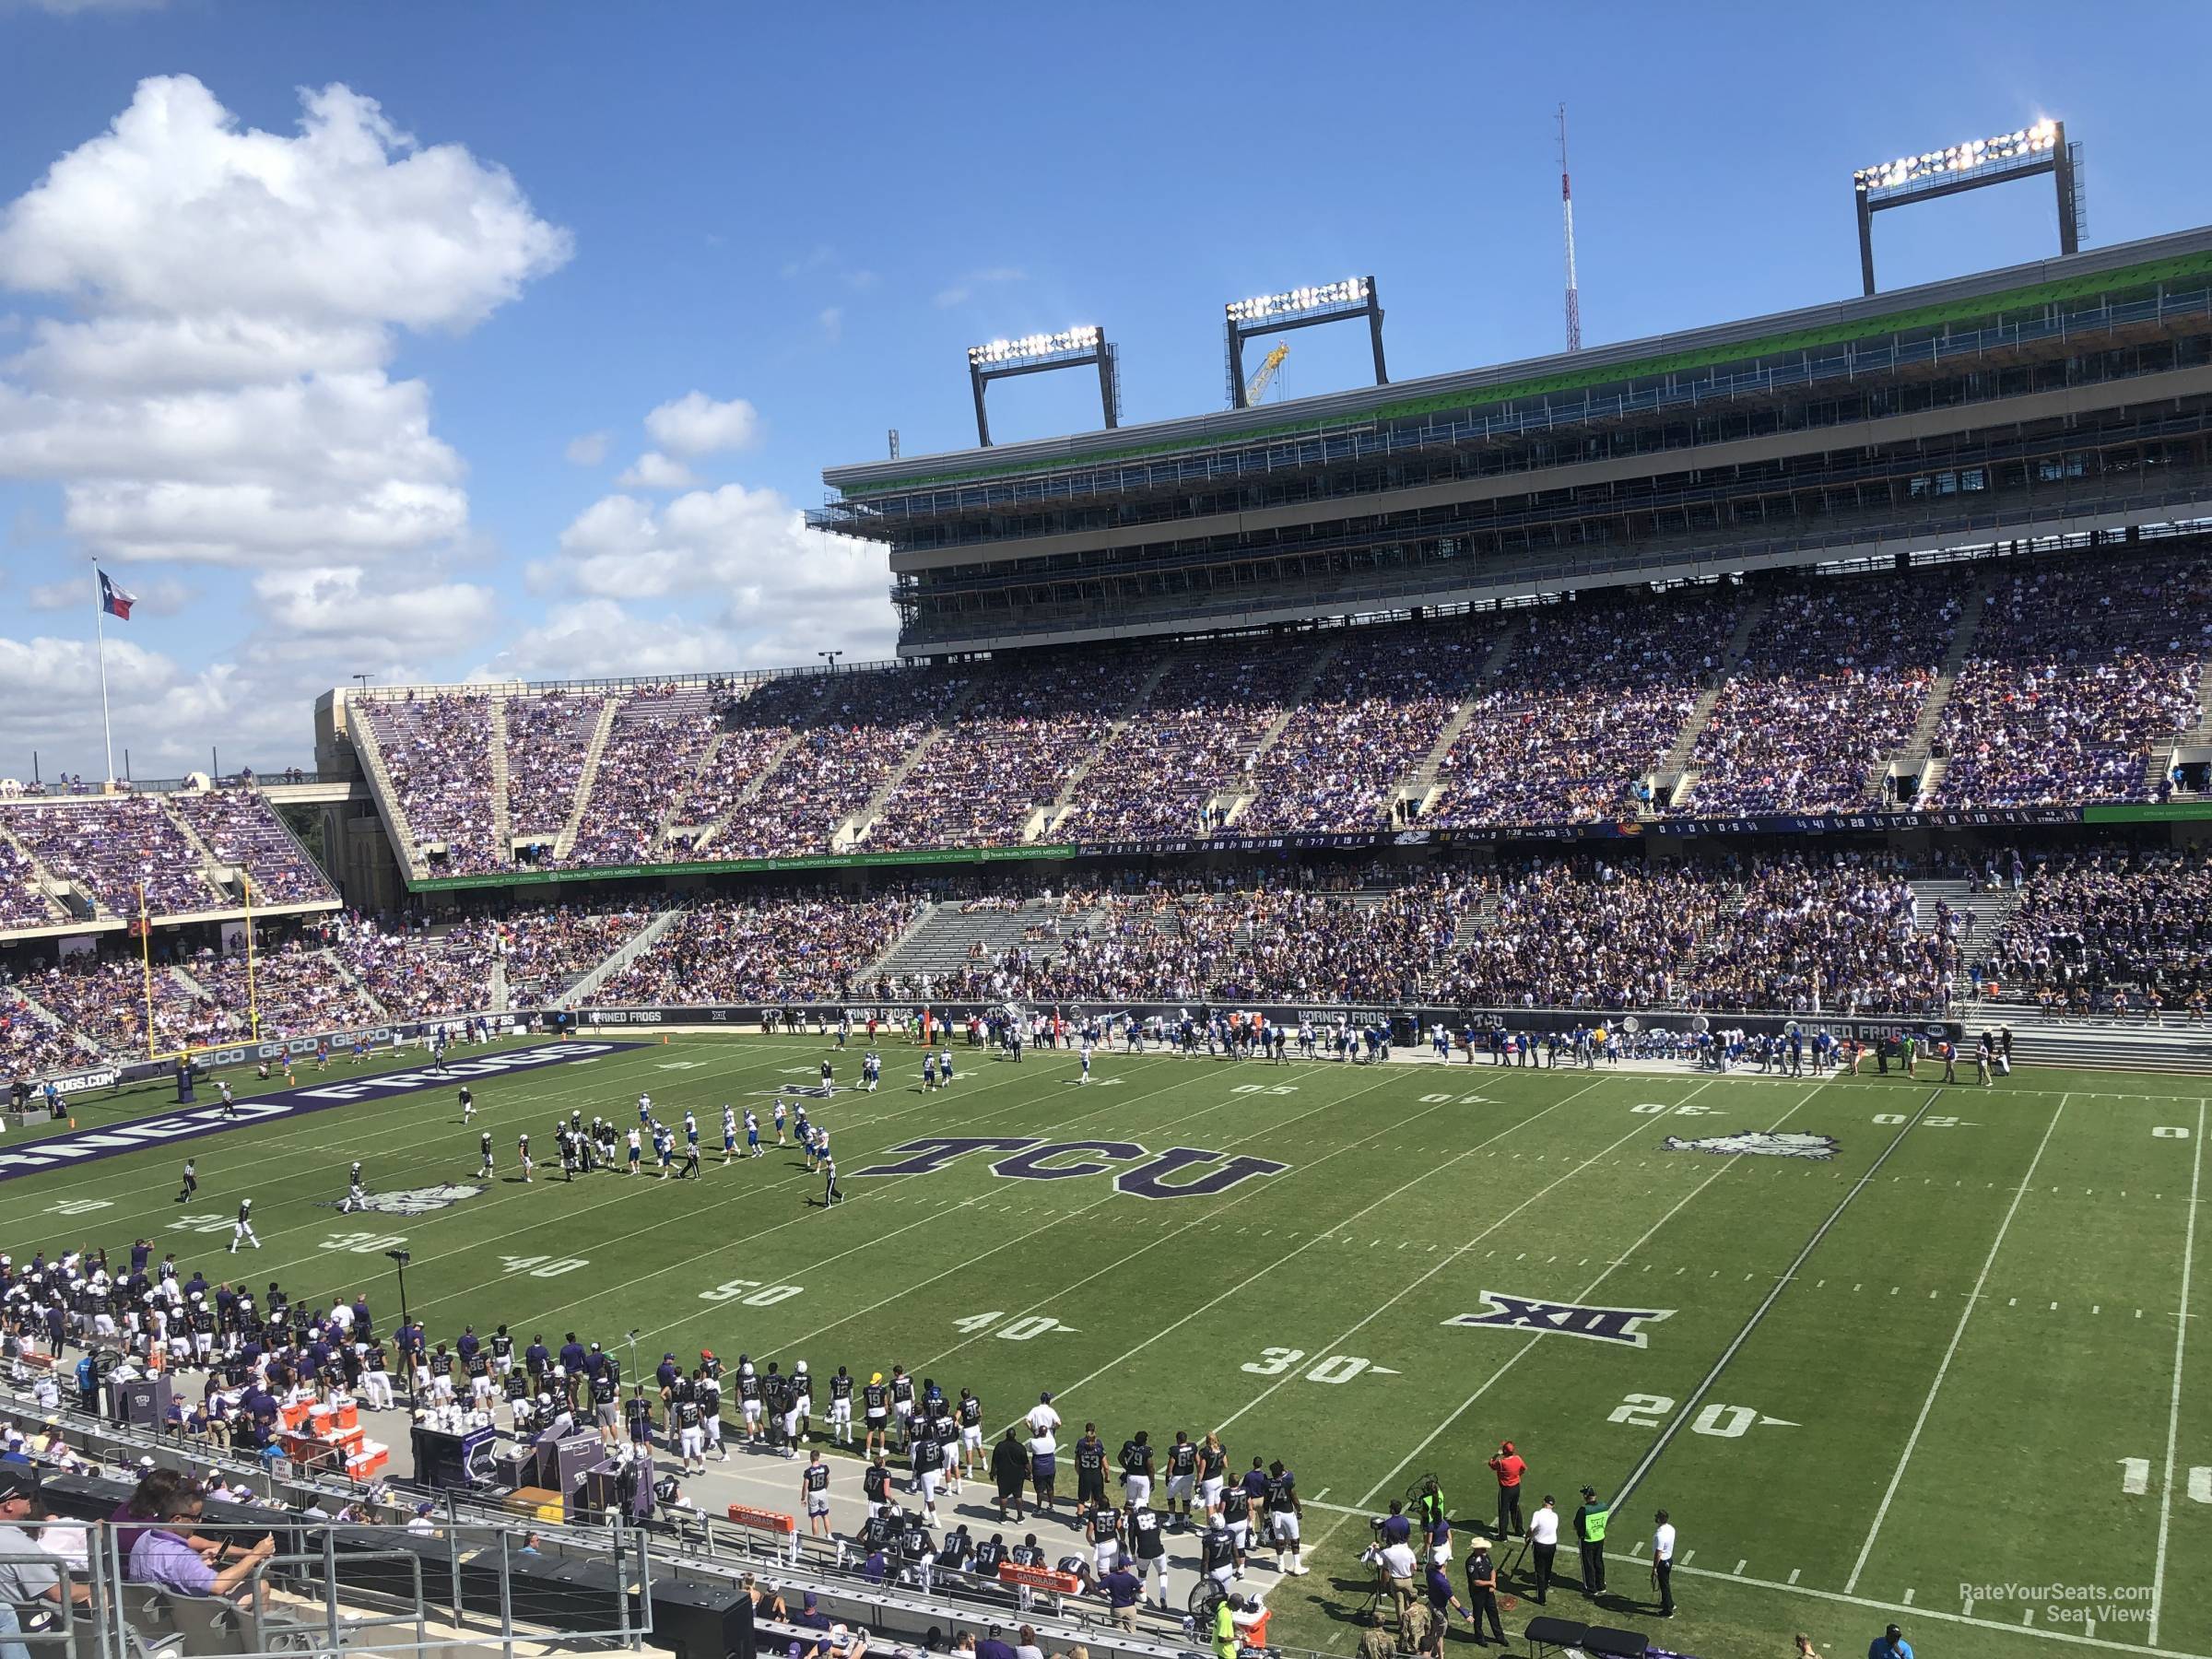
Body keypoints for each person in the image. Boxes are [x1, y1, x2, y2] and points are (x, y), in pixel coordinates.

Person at [126, 1475, 276, 1606]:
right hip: (197, 1620)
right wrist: (256, 1554)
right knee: (260, 1587)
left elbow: (169, 1571)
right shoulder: (181, 1557)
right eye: (195, 1517)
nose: (199, 1522)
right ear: (177, 1519)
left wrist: (199, 1561)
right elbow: (218, 1587)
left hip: (155, 1615)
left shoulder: (144, 1538)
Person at [1463, 1536, 1505, 1646]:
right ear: (1477, 1549)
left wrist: (1493, 1581)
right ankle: (1479, 1638)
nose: (1485, 1550)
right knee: (1478, 1616)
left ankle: (1500, 1636)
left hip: (1488, 1592)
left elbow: (1492, 1570)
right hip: (1478, 1594)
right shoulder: (1471, 1563)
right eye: (1482, 1548)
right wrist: (1490, 1583)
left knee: (1493, 1614)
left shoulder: (1486, 1557)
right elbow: (1476, 1582)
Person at [1525, 1494, 1560, 1604]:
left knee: (1539, 1571)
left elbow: (1532, 1528)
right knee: (1548, 1567)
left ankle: (1541, 1598)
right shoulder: (1555, 1516)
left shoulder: (1538, 1514)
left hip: (1540, 1545)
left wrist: (1528, 1536)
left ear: (1544, 1502)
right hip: (1552, 1545)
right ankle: (1546, 1585)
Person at [1487, 1441, 1525, 1538]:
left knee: (1503, 1511)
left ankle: (1502, 1535)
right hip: (1516, 1487)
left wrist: (1496, 1455)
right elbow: (1523, 1468)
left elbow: (1491, 1463)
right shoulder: (1518, 1459)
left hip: (1506, 1489)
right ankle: (1519, 1531)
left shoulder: (1501, 1462)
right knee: (1515, 1508)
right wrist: (1517, 1475)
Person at [1572, 1485, 1606, 1595]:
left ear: (1586, 1496)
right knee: (1598, 1561)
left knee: (1588, 1564)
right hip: (1600, 1537)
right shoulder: (1603, 1506)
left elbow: (1577, 1524)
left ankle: (1591, 1588)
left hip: (1587, 1539)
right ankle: (1601, 1585)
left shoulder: (1584, 1510)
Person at [992, 1428, 1030, 1522]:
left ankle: (1003, 1516)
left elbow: (994, 1462)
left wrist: (992, 1473)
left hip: (1003, 1475)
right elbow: (1026, 1463)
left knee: (1003, 1496)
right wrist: (1030, 1473)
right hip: (1017, 1476)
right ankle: (1020, 1516)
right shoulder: (1020, 1447)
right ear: (1015, 1435)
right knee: (1018, 1496)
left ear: (1006, 1435)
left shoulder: (1000, 1446)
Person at [1651, 1508, 1676, 1618]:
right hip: (1669, 1560)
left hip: (1662, 1562)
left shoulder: (1659, 1535)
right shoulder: (1671, 1528)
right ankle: (1669, 1603)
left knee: (1664, 1586)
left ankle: (1668, 1610)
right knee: (1665, 1584)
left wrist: (1654, 1568)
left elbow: (1658, 1553)